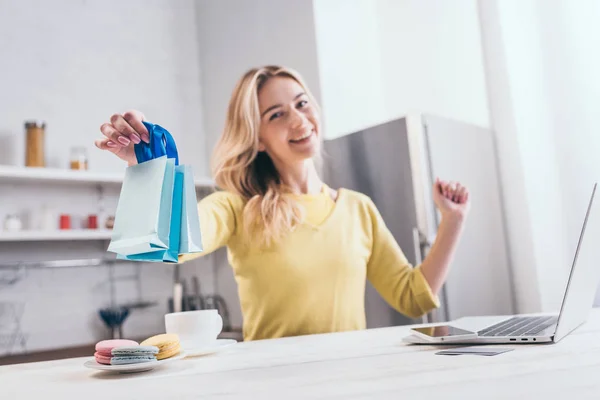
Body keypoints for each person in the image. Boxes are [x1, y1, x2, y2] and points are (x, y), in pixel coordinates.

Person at [95, 65, 470, 341]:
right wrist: (144, 163)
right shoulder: (237, 208)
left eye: (302, 103)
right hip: (273, 386)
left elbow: (412, 297)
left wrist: (452, 220)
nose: (298, 120)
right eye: (276, 115)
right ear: (257, 139)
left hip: (351, 381)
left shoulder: (359, 208)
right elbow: (173, 242)